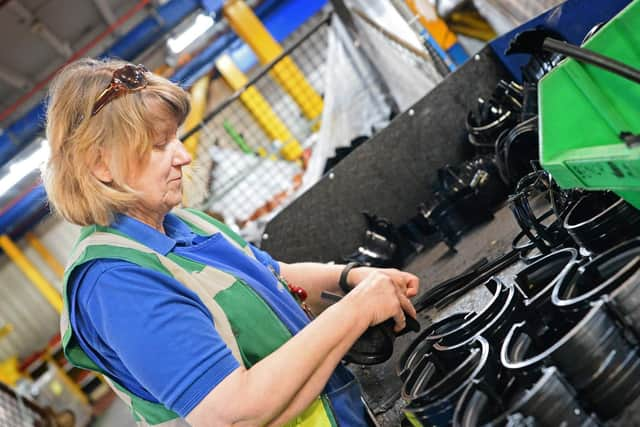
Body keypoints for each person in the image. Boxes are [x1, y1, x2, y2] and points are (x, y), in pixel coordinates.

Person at [43, 58, 420, 427]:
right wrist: (356, 309)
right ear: (100, 164)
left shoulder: (182, 223)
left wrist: (349, 279)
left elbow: (273, 276)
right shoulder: (114, 283)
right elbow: (231, 414)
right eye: (159, 145)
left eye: (175, 137)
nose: (184, 156)